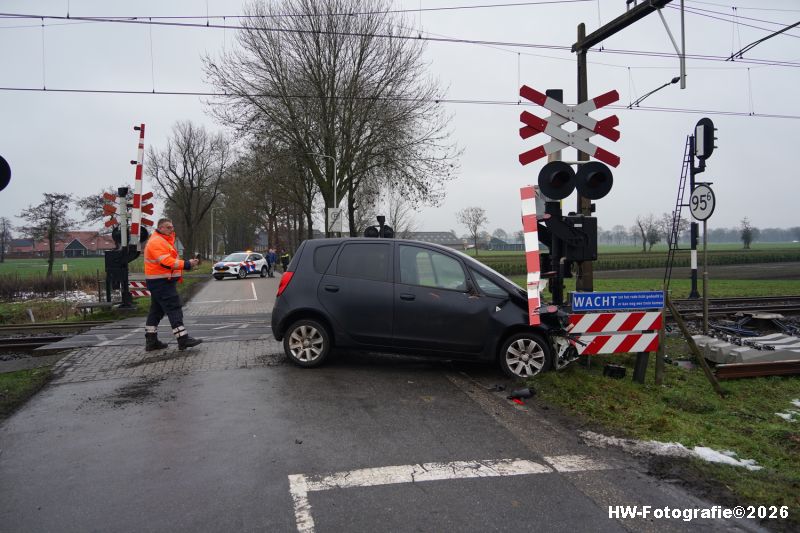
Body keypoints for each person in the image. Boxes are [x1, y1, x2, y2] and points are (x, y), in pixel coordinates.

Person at [143, 218, 203, 351]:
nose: (172, 229)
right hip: (162, 282)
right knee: (174, 308)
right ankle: (183, 339)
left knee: (156, 311)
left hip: (159, 281)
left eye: (172, 227)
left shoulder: (162, 241)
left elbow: (170, 261)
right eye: (168, 227)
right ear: (161, 228)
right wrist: (187, 264)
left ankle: (151, 341)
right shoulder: (157, 241)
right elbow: (166, 262)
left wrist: (186, 263)